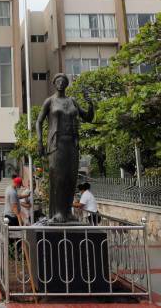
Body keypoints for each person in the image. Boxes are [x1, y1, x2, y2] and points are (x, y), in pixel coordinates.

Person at [36, 73, 94, 222]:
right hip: (56, 143)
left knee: (71, 177)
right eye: (58, 81)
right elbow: (39, 122)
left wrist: (90, 104)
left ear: (66, 84)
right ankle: (57, 212)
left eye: (63, 81)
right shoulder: (50, 101)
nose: (61, 83)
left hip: (72, 143)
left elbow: (88, 117)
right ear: (54, 83)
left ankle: (67, 212)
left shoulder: (72, 101)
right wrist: (39, 141)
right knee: (59, 178)